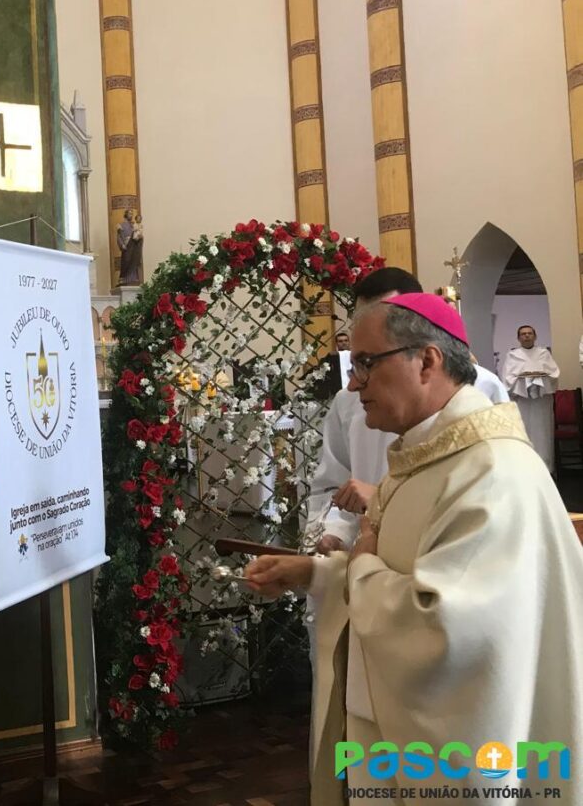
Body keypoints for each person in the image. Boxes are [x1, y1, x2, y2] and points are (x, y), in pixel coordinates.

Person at [247, 294, 583, 805]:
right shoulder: (431, 459)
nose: (354, 382)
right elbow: (402, 571)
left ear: (426, 360)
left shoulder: (491, 474)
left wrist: (358, 573)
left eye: (366, 363)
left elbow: (442, 627)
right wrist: (315, 574)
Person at [309, 268, 509, 554]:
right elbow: (331, 485)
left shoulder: (481, 390)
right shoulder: (347, 401)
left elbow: (481, 517)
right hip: (366, 553)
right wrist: (334, 534)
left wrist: (380, 501)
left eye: (368, 361)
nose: (355, 383)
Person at [500, 325, 559, 473]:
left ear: (535, 336)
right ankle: (525, 470)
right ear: (518, 338)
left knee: (542, 434)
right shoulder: (512, 355)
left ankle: (546, 469)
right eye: (523, 334)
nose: (526, 336)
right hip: (522, 402)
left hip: (541, 402)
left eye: (530, 333)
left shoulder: (544, 353)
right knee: (525, 432)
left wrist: (538, 377)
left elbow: (554, 375)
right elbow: (507, 379)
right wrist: (525, 379)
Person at [117, 209, 143, 285]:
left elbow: (137, 234)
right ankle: (124, 279)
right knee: (126, 261)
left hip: (133, 247)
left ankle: (133, 278)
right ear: (126, 215)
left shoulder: (134, 225)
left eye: (132, 214)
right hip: (126, 246)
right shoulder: (120, 225)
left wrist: (140, 237)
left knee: (134, 261)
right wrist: (122, 245)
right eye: (129, 214)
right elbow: (118, 237)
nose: (131, 215)